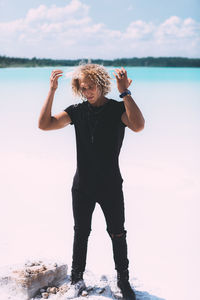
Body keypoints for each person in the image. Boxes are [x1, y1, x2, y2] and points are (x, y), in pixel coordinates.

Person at [38, 63, 145, 300]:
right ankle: (76, 280)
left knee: (118, 234)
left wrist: (125, 93)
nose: (87, 91)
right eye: (83, 87)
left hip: (111, 185)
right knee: (81, 233)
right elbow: (44, 125)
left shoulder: (118, 109)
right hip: (83, 186)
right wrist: (52, 91)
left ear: (102, 84)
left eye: (91, 86)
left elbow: (138, 125)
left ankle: (124, 281)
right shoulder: (76, 111)